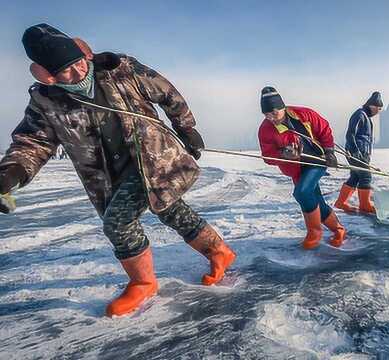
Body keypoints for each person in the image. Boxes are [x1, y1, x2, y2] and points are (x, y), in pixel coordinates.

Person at [0, 24, 236, 317]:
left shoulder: (120, 69)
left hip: (153, 159)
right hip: (107, 175)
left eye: (77, 63)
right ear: (47, 75)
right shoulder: (46, 102)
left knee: (118, 223)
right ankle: (220, 252)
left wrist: (186, 127)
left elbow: (166, 92)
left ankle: (143, 282)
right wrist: (10, 173)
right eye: (65, 71)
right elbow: (32, 142)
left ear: (84, 53)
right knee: (170, 209)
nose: (77, 73)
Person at [257, 86, 346, 249]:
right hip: (295, 168)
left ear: (282, 107)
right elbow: (267, 156)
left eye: (274, 112)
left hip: (316, 160)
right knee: (315, 199)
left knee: (302, 192)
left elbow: (324, 129)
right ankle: (338, 229)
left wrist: (330, 152)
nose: (271, 118)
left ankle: (314, 232)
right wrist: (284, 155)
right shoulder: (265, 130)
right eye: (266, 114)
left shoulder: (304, 114)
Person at [334, 91, 383, 214]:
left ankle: (341, 202)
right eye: (378, 108)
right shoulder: (360, 114)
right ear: (372, 106)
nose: (379, 111)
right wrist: (355, 151)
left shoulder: (366, 117)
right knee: (366, 176)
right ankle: (365, 205)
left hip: (363, 153)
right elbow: (350, 133)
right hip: (356, 152)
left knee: (356, 176)